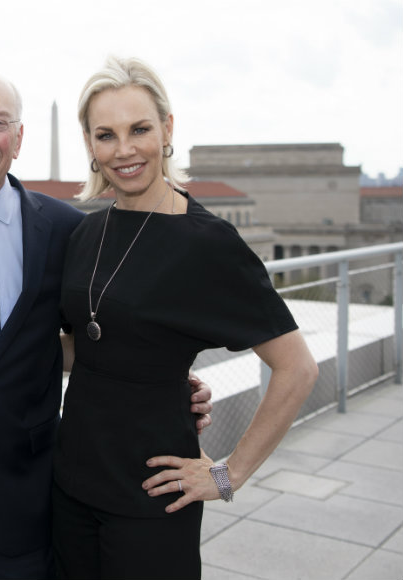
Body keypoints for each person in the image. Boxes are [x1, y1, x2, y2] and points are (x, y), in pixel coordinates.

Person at [0, 68, 213, 580]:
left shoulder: (68, 231)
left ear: (19, 138)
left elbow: (89, 339)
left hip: (27, 504)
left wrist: (163, 379)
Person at [53, 55, 319, 579]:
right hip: (70, 485)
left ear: (167, 129)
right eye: (106, 134)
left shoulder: (207, 243)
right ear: (90, 144)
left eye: (140, 129)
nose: (124, 150)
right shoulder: (87, 232)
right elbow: (94, 346)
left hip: (154, 495)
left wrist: (228, 474)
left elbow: (298, 367)